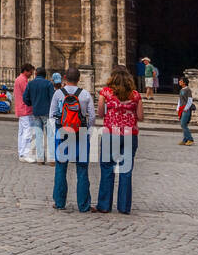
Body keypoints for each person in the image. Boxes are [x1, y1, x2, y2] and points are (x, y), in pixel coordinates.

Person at [95, 67, 142, 214]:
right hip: (129, 133)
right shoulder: (135, 95)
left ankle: (104, 205)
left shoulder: (106, 92)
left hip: (111, 132)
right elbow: (140, 116)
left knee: (107, 168)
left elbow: (100, 113)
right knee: (126, 170)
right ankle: (124, 206)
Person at [50, 67, 94, 212]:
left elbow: (52, 115)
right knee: (82, 169)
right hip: (80, 132)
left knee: (61, 168)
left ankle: (59, 202)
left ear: (64, 77)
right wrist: (88, 132)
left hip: (62, 132)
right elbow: (92, 116)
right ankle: (83, 205)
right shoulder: (85, 94)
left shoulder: (58, 93)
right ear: (79, 78)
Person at [25, 68, 56, 165]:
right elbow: (53, 98)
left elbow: (25, 98)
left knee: (38, 136)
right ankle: (51, 159)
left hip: (36, 112)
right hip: (47, 112)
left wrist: (32, 103)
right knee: (50, 136)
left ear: (36, 73)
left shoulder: (30, 84)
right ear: (45, 75)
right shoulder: (48, 84)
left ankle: (40, 159)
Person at [14, 63, 35, 160]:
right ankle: (25, 153)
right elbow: (28, 94)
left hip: (20, 108)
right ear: (26, 71)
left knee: (22, 132)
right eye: (30, 72)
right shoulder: (23, 80)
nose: (31, 74)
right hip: (25, 108)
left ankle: (21, 152)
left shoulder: (19, 79)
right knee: (27, 131)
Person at [177, 76, 195, 145]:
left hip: (186, 109)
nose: (179, 82)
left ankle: (190, 139)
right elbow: (180, 100)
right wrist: (178, 108)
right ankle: (185, 139)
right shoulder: (181, 90)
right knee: (183, 125)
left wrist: (186, 108)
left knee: (183, 124)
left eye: (181, 81)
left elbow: (190, 100)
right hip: (181, 108)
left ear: (184, 82)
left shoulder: (188, 90)